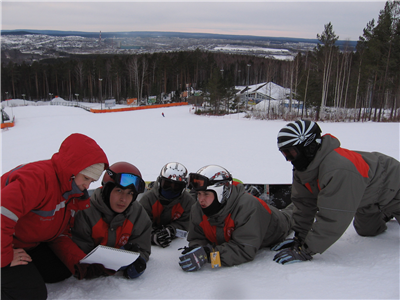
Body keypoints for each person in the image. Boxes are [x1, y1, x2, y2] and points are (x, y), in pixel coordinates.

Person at [272, 119, 400, 264]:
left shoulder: (338, 169)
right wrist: (299, 239)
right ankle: (384, 212)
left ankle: (390, 210)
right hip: (366, 197)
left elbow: (333, 217)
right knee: (368, 231)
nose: (288, 159)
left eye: (291, 152)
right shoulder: (304, 169)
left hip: (393, 187)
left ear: (308, 146)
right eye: (285, 153)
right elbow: (304, 204)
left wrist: (306, 249)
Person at [0, 133, 108, 300]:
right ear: (73, 170)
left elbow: (59, 233)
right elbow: (2, 213)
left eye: (92, 181)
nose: (87, 186)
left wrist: (79, 261)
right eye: (86, 178)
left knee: (59, 271)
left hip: (24, 242)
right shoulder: (37, 179)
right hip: (5, 243)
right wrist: (5, 256)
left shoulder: (71, 192)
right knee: (30, 294)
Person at [178, 165, 293, 272]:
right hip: (245, 216)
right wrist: (197, 249)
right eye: (198, 194)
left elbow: (244, 249)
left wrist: (210, 255)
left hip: (277, 225)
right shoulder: (198, 209)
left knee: (294, 214)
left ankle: (304, 202)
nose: (201, 199)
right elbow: (197, 237)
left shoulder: (247, 208)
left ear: (221, 193)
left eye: (206, 194)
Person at [71, 162, 152, 280]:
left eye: (130, 193)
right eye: (119, 191)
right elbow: (80, 253)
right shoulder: (85, 212)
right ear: (107, 189)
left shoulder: (138, 214)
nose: (124, 199)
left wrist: (138, 260)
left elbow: (143, 248)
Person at [140, 162, 195, 248]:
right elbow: (140, 223)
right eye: (166, 185)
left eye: (176, 187)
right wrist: (152, 236)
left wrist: (172, 230)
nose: (170, 189)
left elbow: (186, 223)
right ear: (160, 182)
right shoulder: (148, 199)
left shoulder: (188, 202)